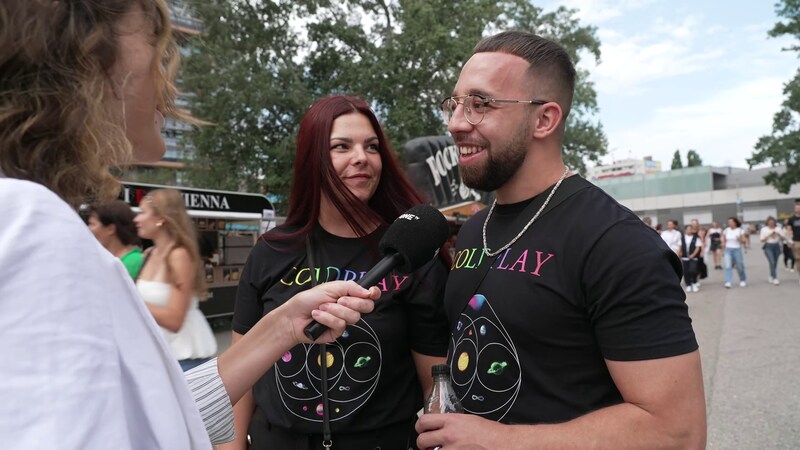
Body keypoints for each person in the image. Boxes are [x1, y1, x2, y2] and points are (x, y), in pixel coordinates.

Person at [0, 1, 378, 448]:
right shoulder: (29, 223)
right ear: (88, 59)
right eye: (158, 52)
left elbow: (150, 417)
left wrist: (283, 326)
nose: (170, 80)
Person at [415, 31, 705, 449]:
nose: (457, 123)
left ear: (544, 119)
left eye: (480, 105)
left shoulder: (616, 243)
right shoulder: (477, 228)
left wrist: (502, 441)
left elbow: (678, 432)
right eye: (454, 104)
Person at [223, 95, 450, 450]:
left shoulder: (411, 257)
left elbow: (435, 387)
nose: (361, 157)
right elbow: (240, 376)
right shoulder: (271, 251)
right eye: (341, 146)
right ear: (313, 159)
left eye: (371, 147)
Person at [133, 188, 218, 371]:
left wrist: (130, 300)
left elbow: (174, 320)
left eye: (142, 213)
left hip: (183, 360)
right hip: (157, 357)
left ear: (161, 218)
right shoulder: (148, 254)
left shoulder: (179, 255)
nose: (136, 219)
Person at [86, 200, 144, 279]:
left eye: (92, 224)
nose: (88, 229)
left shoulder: (134, 261)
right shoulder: (102, 259)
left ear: (111, 229)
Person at [721, 216, 748, 288]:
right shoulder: (726, 230)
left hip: (737, 249)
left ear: (735, 223)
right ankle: (728, 281)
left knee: (740, 266)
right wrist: (723, 250)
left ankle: (742, 280)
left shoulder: (740, 230)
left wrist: (739, 239)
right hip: (728, 250)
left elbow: (744, 241)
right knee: (728, 266)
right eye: (728, 222)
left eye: (731, 222)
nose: (729, 223)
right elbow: (723, 241)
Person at [760, 216, 783, 285]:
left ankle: (771, 275)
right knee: (772, 261)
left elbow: (783, 238)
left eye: (772, 223)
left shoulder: (778, 229)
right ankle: (775, 278)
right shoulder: (764, 229)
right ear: (767, 223)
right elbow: (762, 240)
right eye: (769, 223)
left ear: (775, 223)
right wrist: (769, 235)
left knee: (774, 263)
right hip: (768, 246)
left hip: (777, 246)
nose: (771, 224)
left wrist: (778, 234)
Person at [681, 224, 702, 292]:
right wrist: (680, 253)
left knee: (693, 270)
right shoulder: (682, 238)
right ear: (685, 230)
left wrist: (693, 255)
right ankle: (688, 285)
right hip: (685, 257)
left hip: (694, 258)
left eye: (690, 229)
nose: (689, 230)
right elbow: (680, 246)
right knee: (686, 272)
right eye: (688, 229)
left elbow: (698, 247)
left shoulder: (696, 238)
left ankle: (694, 283)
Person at [788, 200, 800, 285]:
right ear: (794, 209)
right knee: (798, 260)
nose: (798, 209)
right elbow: (789, 230)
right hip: (796, 241)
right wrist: (789, 241)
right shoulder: (791, 219)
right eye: (797, 207)